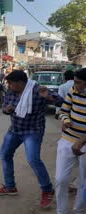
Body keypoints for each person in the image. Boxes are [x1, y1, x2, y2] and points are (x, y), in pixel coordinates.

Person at [0, 70, 63, 209]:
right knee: (5, 155)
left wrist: (49, 96)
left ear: (20, 83)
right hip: (15, 130)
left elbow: (61, 102)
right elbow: (5, 109)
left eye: (11, 83)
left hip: (33, 131)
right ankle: (10, 186)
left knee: (33, 159)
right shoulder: (10, 92)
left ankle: (47, 190)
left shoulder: (38, 90)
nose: (9, 85)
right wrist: (7, 109)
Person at [56, 68, 86, 214]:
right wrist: (66, 120)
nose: (74, 84)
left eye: (78, 82)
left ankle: (78, 210)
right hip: (68, 139)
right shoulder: (73, 90)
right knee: (61, 179)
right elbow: (63, 110)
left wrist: (82, 140)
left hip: (84, 143)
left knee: (84, 182)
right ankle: (61, 211)